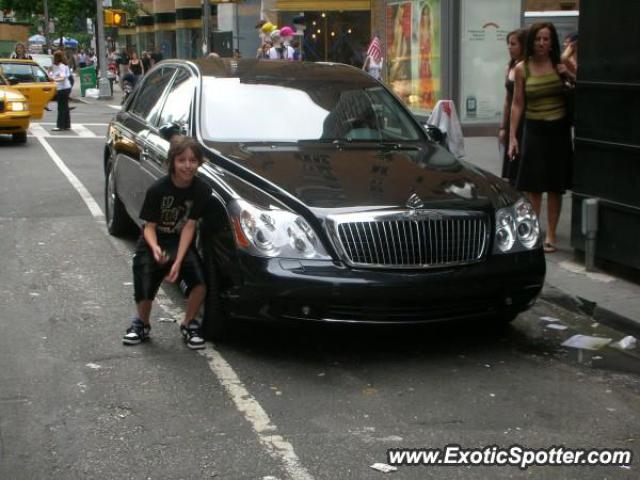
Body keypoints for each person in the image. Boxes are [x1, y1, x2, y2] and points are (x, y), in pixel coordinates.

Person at [122, 136, 210, 350]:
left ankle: (189, 324)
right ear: (172, 162)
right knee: (144, 278)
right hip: (155, 239)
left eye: (193, 160)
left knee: (199, 283)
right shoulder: (158, 190)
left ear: (199, 163)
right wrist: (154, 249)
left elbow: (190, 226)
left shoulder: (202, 190)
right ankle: (141, 324)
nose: (187, 166)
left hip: (179, 241)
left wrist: (178, 262)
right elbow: (149, 227)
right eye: (182, 160)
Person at [508, 22, 574, 254]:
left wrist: (569, 75)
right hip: (534, 131)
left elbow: (581, 88)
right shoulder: (521, 69)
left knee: (555, 186)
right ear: (532, 42)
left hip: (558, 131)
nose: (542, 44)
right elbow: (517, 104)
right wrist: (513, 137)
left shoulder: (560, 64)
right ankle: (535, 231)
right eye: (538, 39)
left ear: (552, 42)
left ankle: (552, 235)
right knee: (534, 187)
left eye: (546, 39)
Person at [499, 28, 527, 185]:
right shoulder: (511, 66)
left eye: (513, 44)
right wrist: (503, 126)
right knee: (511, 166)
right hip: (512, 119)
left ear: (523, 45)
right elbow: (508, 99)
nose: (509, 47)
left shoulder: (525, 67)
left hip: (525, 119)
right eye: (508, 44)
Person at [50, 50, 72, 131]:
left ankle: (60, 125)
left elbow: (63, 77)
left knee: (61, 107)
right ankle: (66, 125)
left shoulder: (61, 66)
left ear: (57, 58)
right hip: (66, 87)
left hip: (62, 88)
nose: (53, 58)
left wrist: (54, 79)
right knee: (65, 107)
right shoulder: (63, 65)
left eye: (54, 57)